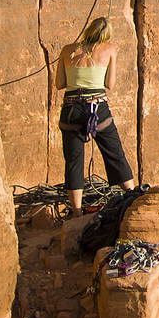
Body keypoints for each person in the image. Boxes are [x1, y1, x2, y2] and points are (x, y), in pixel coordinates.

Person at [55, 17, 135, 215]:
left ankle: (77, 211)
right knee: (114, 154)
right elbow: (110, 84)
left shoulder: (67, 50)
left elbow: (59, 84)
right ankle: (133, 197)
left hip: (71, 110)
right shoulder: (110, 49)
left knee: (74, 160)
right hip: (97, 110)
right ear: (106, 35)